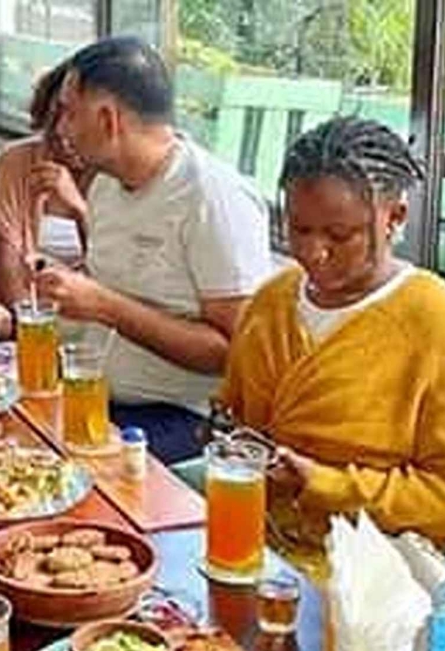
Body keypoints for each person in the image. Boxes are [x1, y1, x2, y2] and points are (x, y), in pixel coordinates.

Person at [218, 117, 445, 577]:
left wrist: (327, 484)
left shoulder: (433, 321)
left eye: (339, 235)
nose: (313, 252)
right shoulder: (272, 302)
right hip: (253, 538)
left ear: (395, 218)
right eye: (299, 229)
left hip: (366, 574)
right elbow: (234, 419)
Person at [33, 36, 274, 463]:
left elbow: (234, 353)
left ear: (108, 119)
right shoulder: (104, 186)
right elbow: (102, 291)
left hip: (183, 420)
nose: (62, 130)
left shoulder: (212, 196)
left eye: (69, 113)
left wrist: (105, 306)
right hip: (95, 396)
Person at [0, 59, 92, 306]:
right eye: (55, 116)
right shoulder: (16, 161)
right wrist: (27, 321)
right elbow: (6, 268)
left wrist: (79, 209)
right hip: (25, 306)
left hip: (88, 308)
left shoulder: (113, 176)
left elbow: (111, 274)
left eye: (75, 118)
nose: (63, 132)